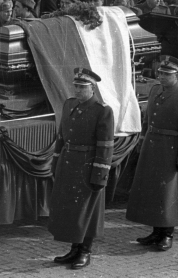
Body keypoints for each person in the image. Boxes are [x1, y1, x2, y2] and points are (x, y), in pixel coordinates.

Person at [126, 56, 178, 251]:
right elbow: (147, 120)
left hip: (171, 149)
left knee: (168, 192)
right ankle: (156, 231)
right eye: (160, 73)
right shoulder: (155, 90)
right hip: (153, 147)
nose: (161, 77)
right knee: (154, 191)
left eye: (166, 74)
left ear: (176, 75)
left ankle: (167, 234)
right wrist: (141, 142)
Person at [49, 68, 113, 270]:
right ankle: (74, 248)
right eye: (76, 86)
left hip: (87, 166)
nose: (77, 90)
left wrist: (100, 173)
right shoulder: (69, 104)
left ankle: (85, 250)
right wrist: (56, 159)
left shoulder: (102, 110)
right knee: (72, 209)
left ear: (92, 88)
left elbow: (105, 145)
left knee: (87, 210)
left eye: (82, 87)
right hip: (69, 163)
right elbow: (61, 135)